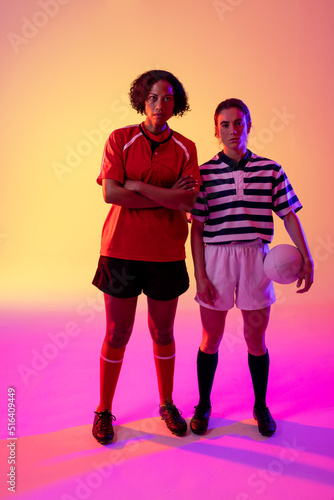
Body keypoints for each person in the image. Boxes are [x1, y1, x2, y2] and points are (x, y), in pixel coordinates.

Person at [190, 98, 314, 437]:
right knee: (211, 337)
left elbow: (288, 215)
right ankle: (203, 405)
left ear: (249, 126)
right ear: (216, 130)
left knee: (255, 338)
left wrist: (307, 257)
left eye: (239, 123)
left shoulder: (270, 170)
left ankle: (260, 405)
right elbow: (197, 228)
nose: (233, 130)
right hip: (216, 259)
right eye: (225, 124)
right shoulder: (203, 174)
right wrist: (200, 275)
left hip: (257, 259)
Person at [91, 70, 200, 444]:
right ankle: (104, 409)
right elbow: (110, 194)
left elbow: (188, 201)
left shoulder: (186, 147)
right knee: (117, 333)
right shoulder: (120, 139)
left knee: (163, 332)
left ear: (176, 103)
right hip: (120, 250)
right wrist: (164, 195)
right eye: (153, 97)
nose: (159, 105)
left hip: (166, 253)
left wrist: (136, 185)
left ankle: (167, 403)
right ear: (142, 99)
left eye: (167, 98)